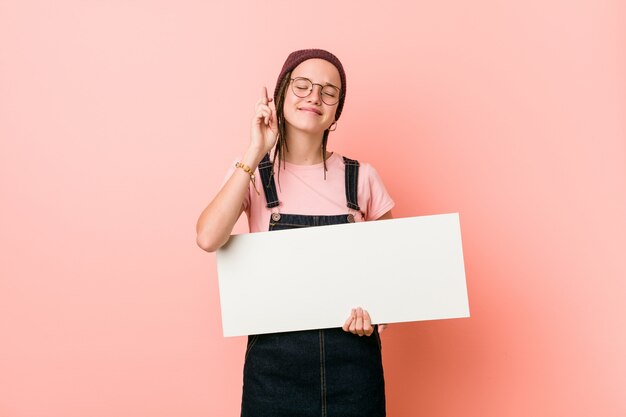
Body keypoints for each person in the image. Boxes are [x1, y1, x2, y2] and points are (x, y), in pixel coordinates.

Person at [196, 49, 394, 417]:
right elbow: (208, 237)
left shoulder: (362, 177)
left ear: (337, 110)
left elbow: (392, 277)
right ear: (281, 93)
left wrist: (376, 318)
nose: (314, 97)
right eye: (302, 86)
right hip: (273, 370)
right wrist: (255, 151)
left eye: (329, 91)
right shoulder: (254, 174)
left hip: (354, 366)